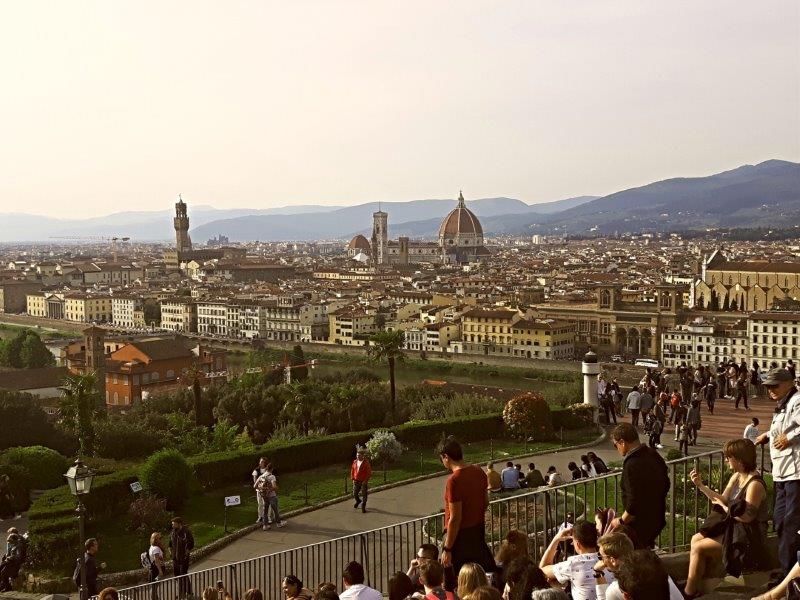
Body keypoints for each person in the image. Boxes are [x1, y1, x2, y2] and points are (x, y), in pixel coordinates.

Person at [684, 438, 768, 597]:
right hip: (735, 527)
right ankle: (697, 584)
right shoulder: (737, 476)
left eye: (729, 457)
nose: (726, 460)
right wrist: (701, 486)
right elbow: (723, 498)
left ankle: (688, 592)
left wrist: (724, 508)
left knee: (698, 547)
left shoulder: (754, 484)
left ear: (740, 460)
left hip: (749, 534)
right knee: (695, 539)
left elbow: (747, 517)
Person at [754, 367, 800, 582]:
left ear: (789, 383)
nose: (770, 390)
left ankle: (788, 575)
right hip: (782, 473)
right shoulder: (783, 404)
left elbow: (794, 428)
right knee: (780, 521)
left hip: (796, 473)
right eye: (768, 387)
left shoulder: (797, 400)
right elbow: (783, 427)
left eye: (774, 386)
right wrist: (767, 434)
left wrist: (789, 437)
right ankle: (786, 569)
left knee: (790, 523)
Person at [437, 436, 495, 591]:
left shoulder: (454, 481)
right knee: (478, 578)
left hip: (459, 538)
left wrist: (448, 548)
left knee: (455, 582)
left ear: (446, 457)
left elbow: (455, 518)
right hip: (477, 531)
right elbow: (486, 502)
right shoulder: (478, 471)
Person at [610, 423, 670, 549]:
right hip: (657, 516)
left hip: (639, 524)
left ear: (622, 442)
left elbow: (634, 500)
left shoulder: (632, 464)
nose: (617, 449)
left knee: (635, 557)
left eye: (615, 445)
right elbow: (666, 484)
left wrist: (621, 521)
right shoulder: (653, 454)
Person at [593, 532, 682, 600]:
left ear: (613, 560)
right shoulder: (655, 570)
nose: (600, 560)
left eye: (600, 556)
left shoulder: (617, 588)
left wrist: (598, 573)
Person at [539, 520, 611, 600]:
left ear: (578, 544)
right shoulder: (610, 560)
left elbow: (542, 570)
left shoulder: (573, 564)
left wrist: (556, 539)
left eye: (573, 540)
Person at [170, 517, 194, 597]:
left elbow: (190, 544)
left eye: (174, 524)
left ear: (179, 524)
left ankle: (186, 593)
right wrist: (171, 553)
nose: (172, 526)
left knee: (183, 574)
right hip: (175, 559)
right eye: (172, 524)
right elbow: (170, 544)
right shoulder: (173, 532)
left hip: (183, 558)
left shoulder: (186, 532)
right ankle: (184, 593)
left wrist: (186, 555)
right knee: (177, 575)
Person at [256, 462, 285, 528]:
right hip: (272, 496)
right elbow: (274, 487)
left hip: (264, 496)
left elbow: (255, 486)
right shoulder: (272, 476)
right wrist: (273, 488)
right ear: (271, 469)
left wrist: (262, 490)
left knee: (265, 511)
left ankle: (265, 525)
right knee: (275, 510)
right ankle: (278, 523)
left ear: (266, 469)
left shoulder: (261, 476)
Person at [351, 445, 373, 514]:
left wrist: (365, 481)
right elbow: (352, 470)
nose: (357, 456)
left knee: (364, 494)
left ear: (362, 456)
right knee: (355, 493)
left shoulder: (366, 463)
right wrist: (352, 478)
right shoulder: (355, 462)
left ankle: (363, 506)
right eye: (357, 455)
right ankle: (358, 501)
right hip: (356, 480)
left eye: (359, 455)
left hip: (363, 481)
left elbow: (369, 473)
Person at [252, 457, 269, 524]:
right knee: (260, 504)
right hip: (259, 490)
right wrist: (259, 488)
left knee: (267, 504)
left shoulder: (267, 470)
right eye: (260, 461)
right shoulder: (256, 470)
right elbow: (255, 480)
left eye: (263, 462)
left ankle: (268, 517)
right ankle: (260, 517)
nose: (261, 463)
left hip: (266, 490)